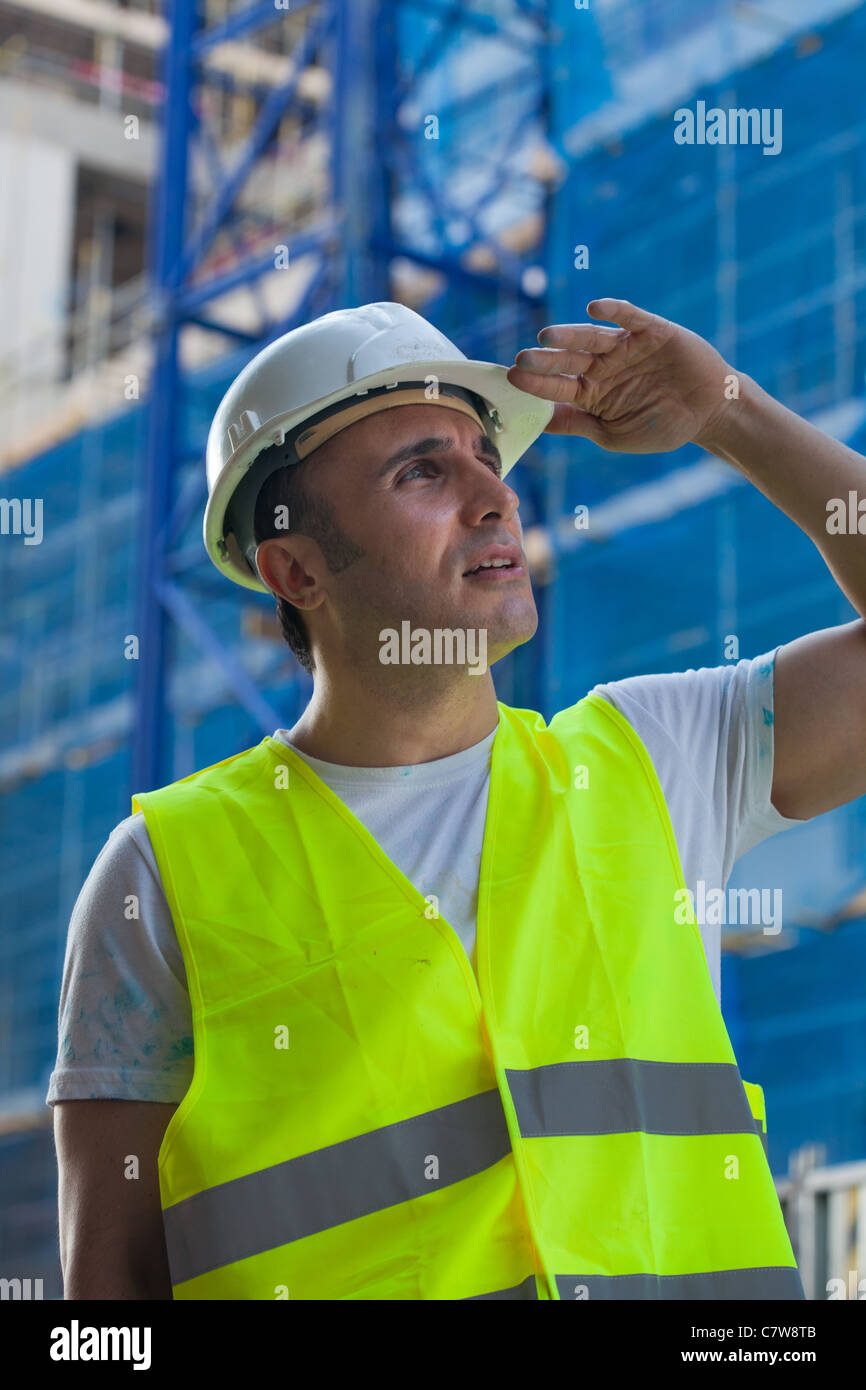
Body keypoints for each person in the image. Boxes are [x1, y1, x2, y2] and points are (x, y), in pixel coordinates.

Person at [52, 299, 866, 1300]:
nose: (495, 497)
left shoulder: (654, 758)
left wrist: (729, 413)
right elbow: (105, 1304)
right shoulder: (160, 878)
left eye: (486, 457)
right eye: (423, 471)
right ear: (293, 566)